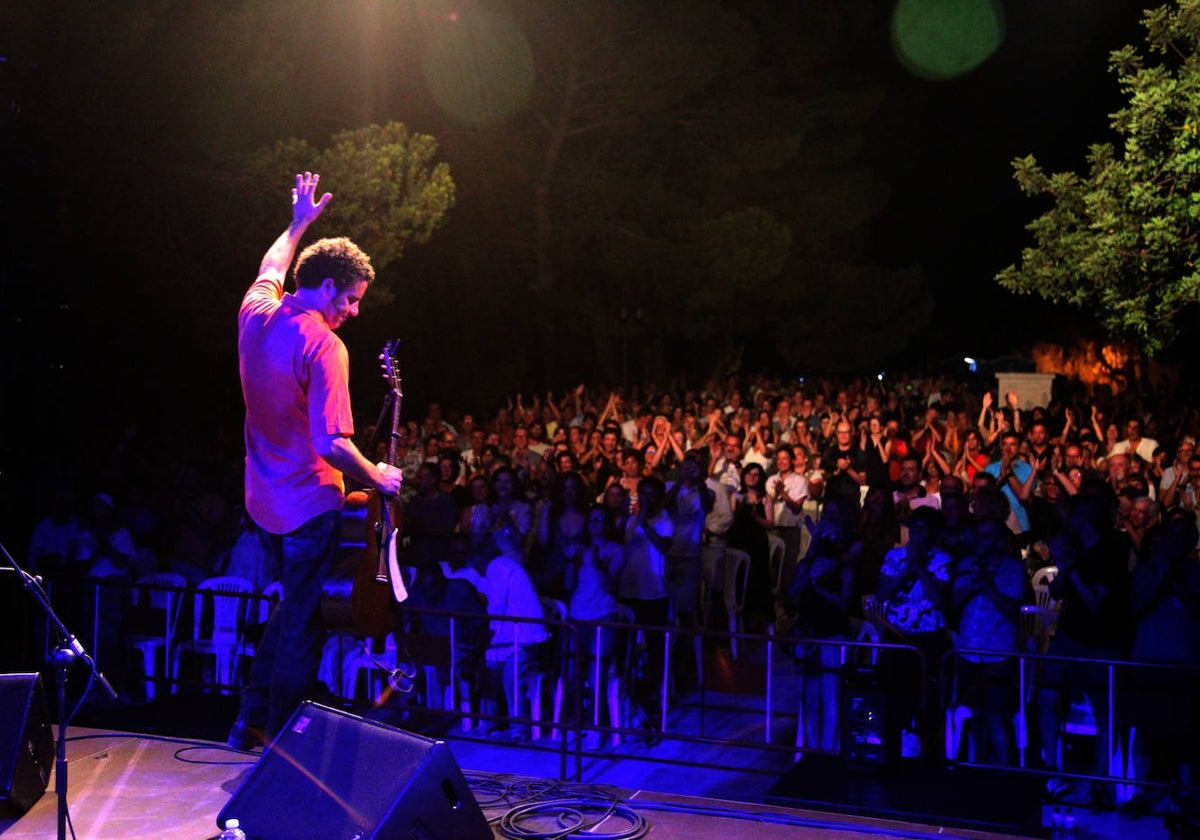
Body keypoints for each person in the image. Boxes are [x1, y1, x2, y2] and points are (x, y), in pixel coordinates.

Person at [228, 172, 403, 749]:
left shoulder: (257, 312)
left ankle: (247, 720)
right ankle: (281, 742)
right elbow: (332, 443)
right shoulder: (325, 345)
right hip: (308, 506)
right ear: (328, 287)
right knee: (303, 624)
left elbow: (270, 262)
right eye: (351, 299)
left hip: (263, 502)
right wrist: (378, 475)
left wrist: (299, 222)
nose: (353, 312)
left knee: (290, 608)